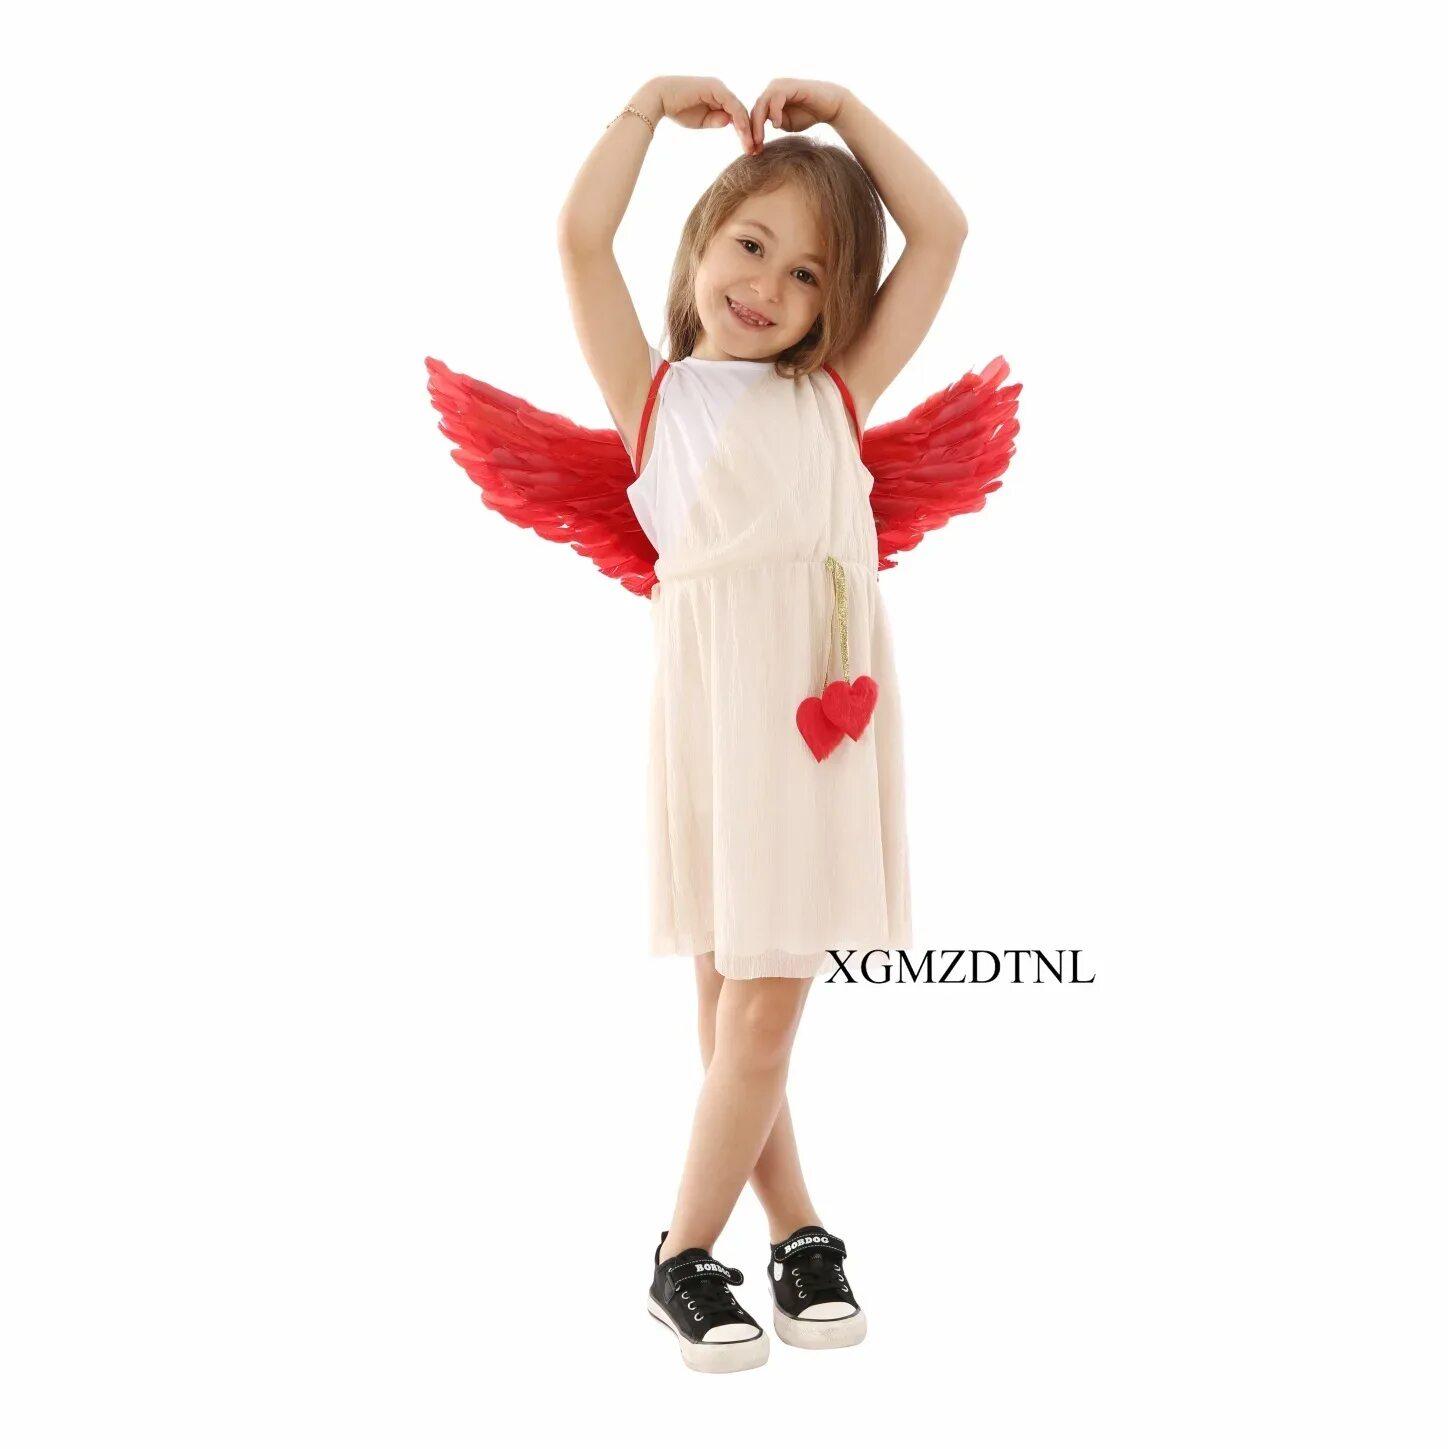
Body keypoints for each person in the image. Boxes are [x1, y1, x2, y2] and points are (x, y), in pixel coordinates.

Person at [429, 75, 1018, 1374]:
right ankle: (690, 1256)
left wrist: (849, 114)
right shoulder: (656, 401)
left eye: (809, 275)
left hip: (820, 733)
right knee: (740, 1020)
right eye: (751, 245)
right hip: (717, 727)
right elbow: (581, 237)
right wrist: (644, 110)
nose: (769, 286)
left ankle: (778, 1231)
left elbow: (944, 233)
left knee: (747, 1023)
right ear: (700, 244)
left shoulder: (837, 396)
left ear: (835, 308)